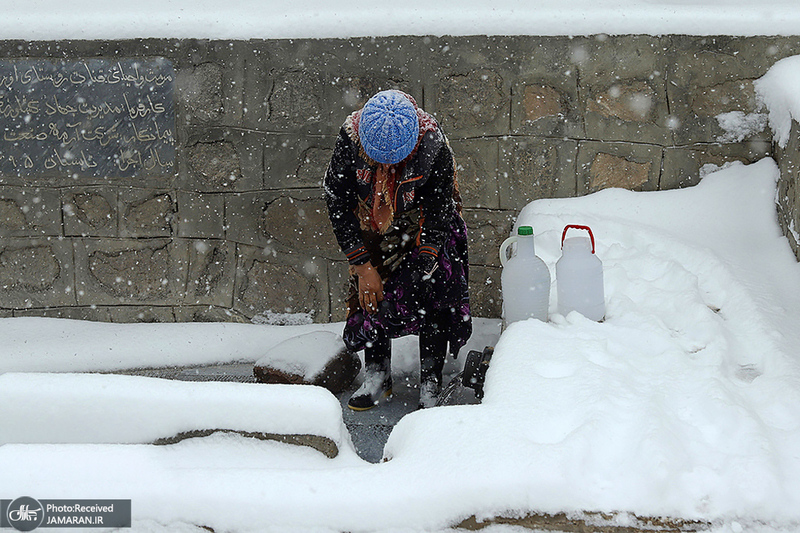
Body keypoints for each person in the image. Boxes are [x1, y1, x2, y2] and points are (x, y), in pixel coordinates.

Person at [324, 89, 472, 411]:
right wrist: (363, 266)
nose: (385, 171)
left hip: (421, 222)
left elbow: (440, 210)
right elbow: (336, 199)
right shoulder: (351, 139)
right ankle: (378, 376)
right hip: (372, 221)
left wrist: (427, 260)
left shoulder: (432, 146)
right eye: (377, 162)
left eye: (395, 163)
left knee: (431, 292)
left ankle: (430, 381)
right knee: (371, 296)